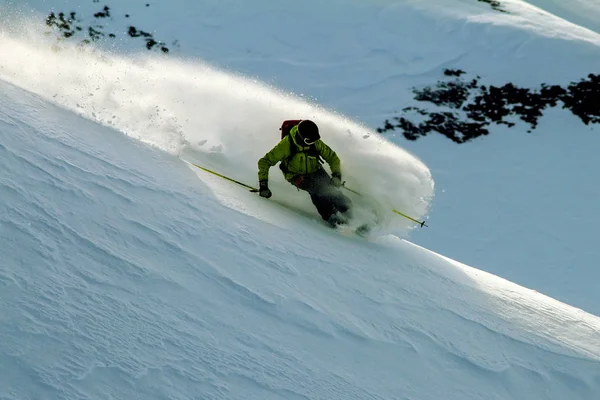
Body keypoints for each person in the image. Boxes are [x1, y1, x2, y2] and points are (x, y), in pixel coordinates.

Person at [257, 120, 352, 226]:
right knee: (317, 190)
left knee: (330, 189)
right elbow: (264, 162)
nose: (313, 143)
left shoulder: (315, 142)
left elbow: (332, 158)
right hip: (296, 175)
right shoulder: (286, 145)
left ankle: (349, 211)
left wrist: (337, 176)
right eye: (310, 142)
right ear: (304, 139)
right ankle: (331, 216)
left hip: (316, 170)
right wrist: (263, 184)